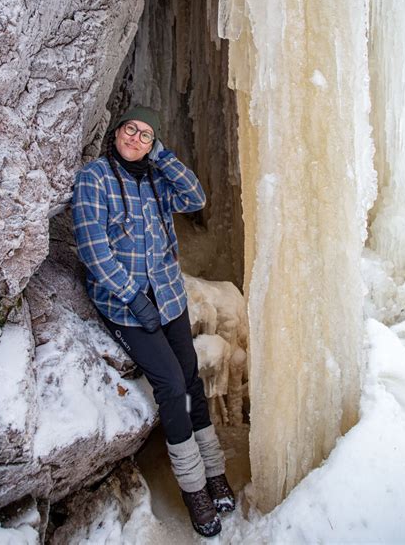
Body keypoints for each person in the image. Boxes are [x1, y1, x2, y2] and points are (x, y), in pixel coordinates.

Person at [71, 106, 235, 537]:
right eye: (131, 130)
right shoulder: (95, 178)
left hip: (168, 296)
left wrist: (162, 157)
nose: (136, 139)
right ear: (117, 132)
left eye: (146, 135)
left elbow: (196, 198)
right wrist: (131, 297)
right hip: (127, 305)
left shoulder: (157, 177)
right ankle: (194, 488)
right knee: (171, 384)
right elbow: (93, 249)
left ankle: (214, 471)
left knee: (191, 380)